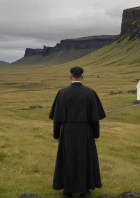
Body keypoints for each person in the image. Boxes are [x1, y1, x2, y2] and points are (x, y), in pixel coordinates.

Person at [49, 66, 106, 198]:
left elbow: (57, 118)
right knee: (84, 159)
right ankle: (84, 191)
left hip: (67, 132)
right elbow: (95, 119)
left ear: (70, 76)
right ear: (82, 76)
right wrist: (96, 134)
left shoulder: (62, 93)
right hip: (85, 132)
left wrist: (56, 134)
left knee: (68, 159)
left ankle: (68, 191)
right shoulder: (90, 93)